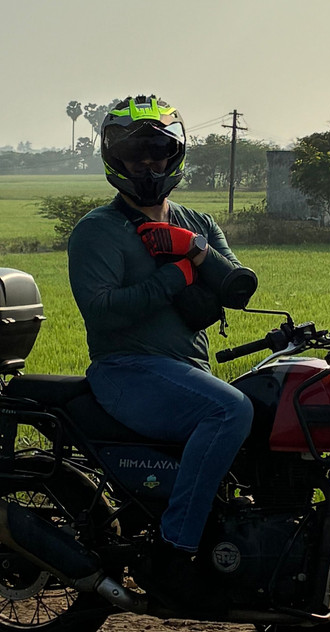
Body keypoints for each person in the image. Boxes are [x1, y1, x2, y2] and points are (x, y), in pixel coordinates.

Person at [67, 95, 254, 579]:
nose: (148, 163)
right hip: (126, 370)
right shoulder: (98, 230)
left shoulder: (198, 224)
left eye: (158, 152)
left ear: (175, 156)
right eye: (136, 153)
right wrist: (178, 278)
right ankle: (175, 549)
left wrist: (191, 249)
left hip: (186, 372)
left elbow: (238, 287)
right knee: (229, 408)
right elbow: (102, 312)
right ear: (116, 159)